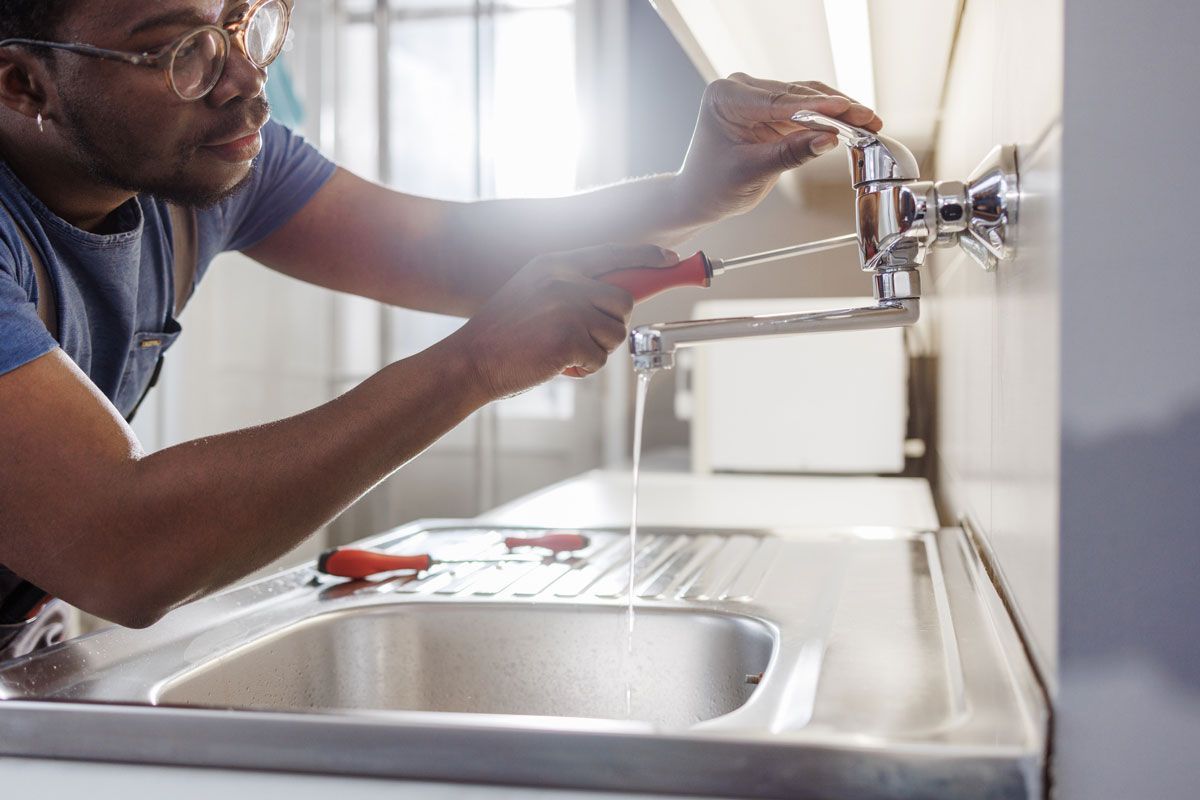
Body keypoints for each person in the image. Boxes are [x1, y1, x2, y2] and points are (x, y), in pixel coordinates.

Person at [0, 0, 882, 656]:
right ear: (22, 81)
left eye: (243, 22)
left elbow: (450, 252)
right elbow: (124, 547)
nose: (244, 81)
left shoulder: (200, 164)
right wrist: (471, 368)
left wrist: (696, 191)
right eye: (180, 54)